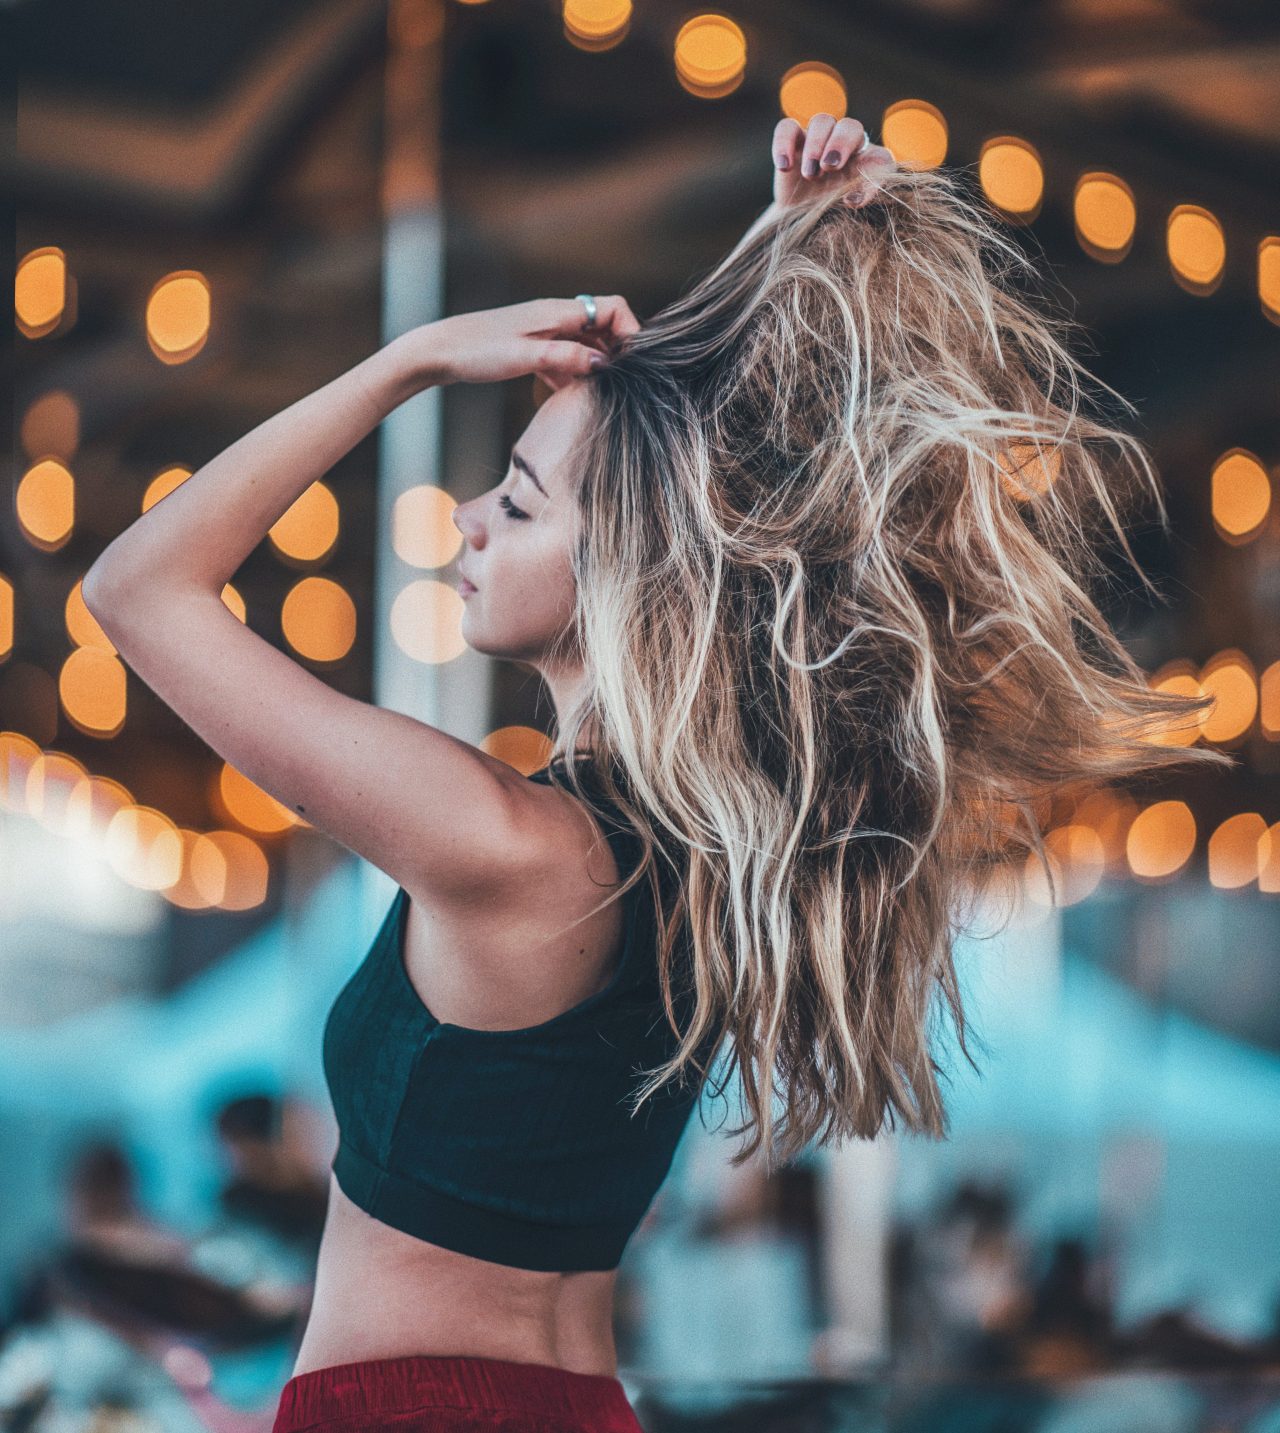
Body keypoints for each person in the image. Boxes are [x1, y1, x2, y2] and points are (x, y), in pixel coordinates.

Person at [81, 112, 1227, 1432]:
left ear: (622, 575)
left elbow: (140, 587)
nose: (464, 518)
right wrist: (789, 241)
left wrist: (408, 362)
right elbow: (685, 469)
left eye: (512, 503)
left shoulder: (500, 840)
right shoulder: (711, 842)